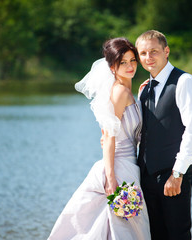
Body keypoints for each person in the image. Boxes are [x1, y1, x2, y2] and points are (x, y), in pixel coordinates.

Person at [48, 38, 151, 239]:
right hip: (119, 167)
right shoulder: (119, 92)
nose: (130, 66)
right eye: (123, 62)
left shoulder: (129, 92)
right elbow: (110, 138)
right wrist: (111, 178)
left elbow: (126, 131)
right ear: (112, 66)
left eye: (132, 60)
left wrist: (142, 97)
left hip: (129, 166)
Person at [136, 30, 192, 240]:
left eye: (154, 51)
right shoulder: (144, 89)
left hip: (173, 174)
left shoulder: (185, 82)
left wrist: (177, 175)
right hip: (145, 176)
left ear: (166, 51)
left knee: (178, 235)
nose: (149, 58)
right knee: (155, 235)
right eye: (143, 53)